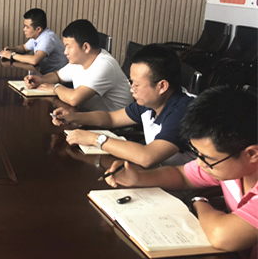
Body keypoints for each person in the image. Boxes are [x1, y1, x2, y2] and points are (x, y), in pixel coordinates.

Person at [104, 86, 257, 258]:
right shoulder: (230, 163)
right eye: (197, 153)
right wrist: (139, 177)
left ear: (252, 154)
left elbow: (222, 236)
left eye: (207, 158)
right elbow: (183, 175)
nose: (199, 162)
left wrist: (199, 201)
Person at [53, 44, 194, 167]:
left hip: (185, 186)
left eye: (136, 85)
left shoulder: (184, 111)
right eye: (131, 82)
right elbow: (111, 118)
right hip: (160, 173)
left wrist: (94, 139)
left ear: (162, 86)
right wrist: (73, 117)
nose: (131, 89)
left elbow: (148, 157)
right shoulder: (150, 101)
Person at [25, 19, 132, 111]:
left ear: (86, 47)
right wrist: (41, 80)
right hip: (89, 116)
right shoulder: (80, 60)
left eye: (68, 47)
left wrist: (55, 88)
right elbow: (57, 75)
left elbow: (74, 99)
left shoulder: (104, 65)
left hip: (114, 125)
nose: (65, 52)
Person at [0, 8, 68, 74]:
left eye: (27, 27)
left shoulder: (47, 39)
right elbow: (24, 48)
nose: (24, 29)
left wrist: (12, 55)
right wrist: (12, 49)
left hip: (58, 78)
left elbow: (34, 60)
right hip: (45, 74)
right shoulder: (37, 35)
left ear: (38, 29)